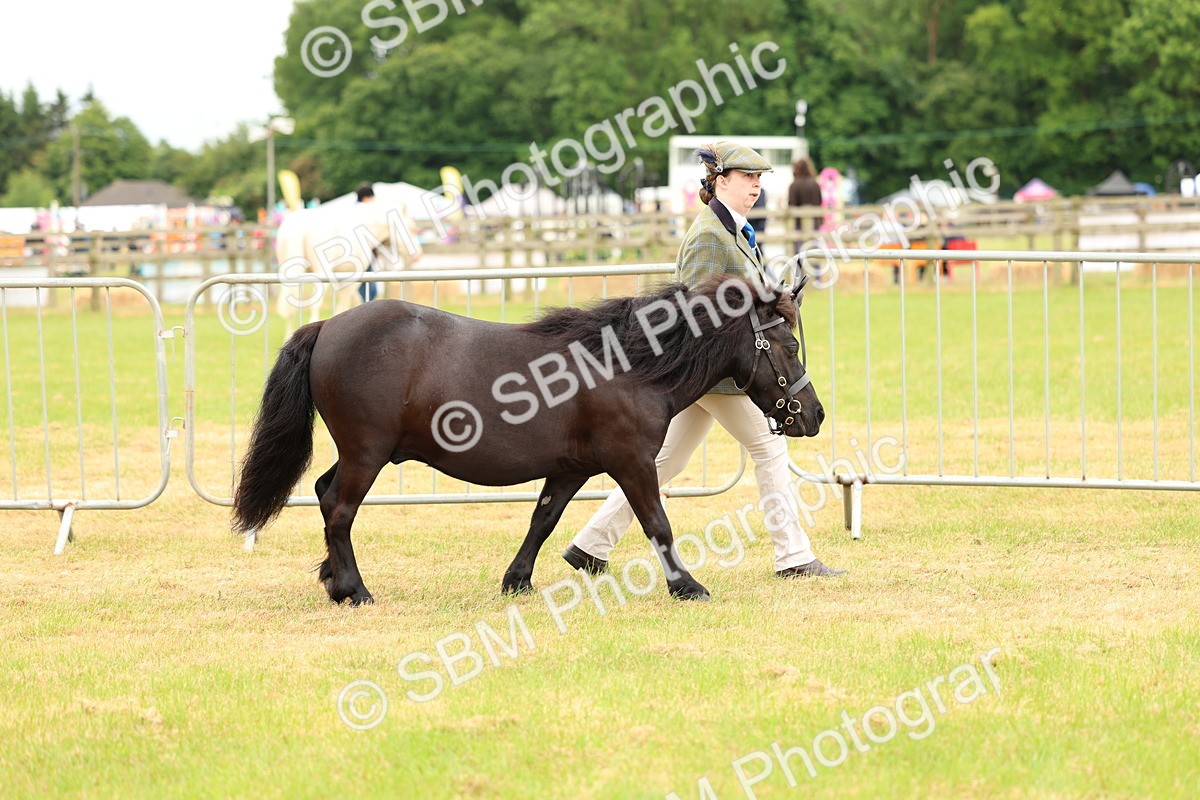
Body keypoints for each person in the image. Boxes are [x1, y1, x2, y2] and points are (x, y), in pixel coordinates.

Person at [563, 141, 845, 580]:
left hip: (715, 374)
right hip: (717, 374)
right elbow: (701, 315)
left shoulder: (733, 230)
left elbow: (736, 300)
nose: (756, 186)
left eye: (759, 179)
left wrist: (774, 301)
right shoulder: (710, 237)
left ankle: (590, 546)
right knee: (770, 448)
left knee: (664, 461)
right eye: (747, 178)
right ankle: (793, 557)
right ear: (721, 181)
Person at [788, 157, 822, 254]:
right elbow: (819, 202)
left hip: (798, 225)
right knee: (814, 253)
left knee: (800, 254)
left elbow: (791, 204)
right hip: (815, 223)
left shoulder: (794, 185)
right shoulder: (815, 184)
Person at [355, 182, 382, 302]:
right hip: (362, 252)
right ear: (366, 197)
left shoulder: (354, 210)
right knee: (368, 286)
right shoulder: (365, 211)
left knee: (368, 284)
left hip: (360, 252)